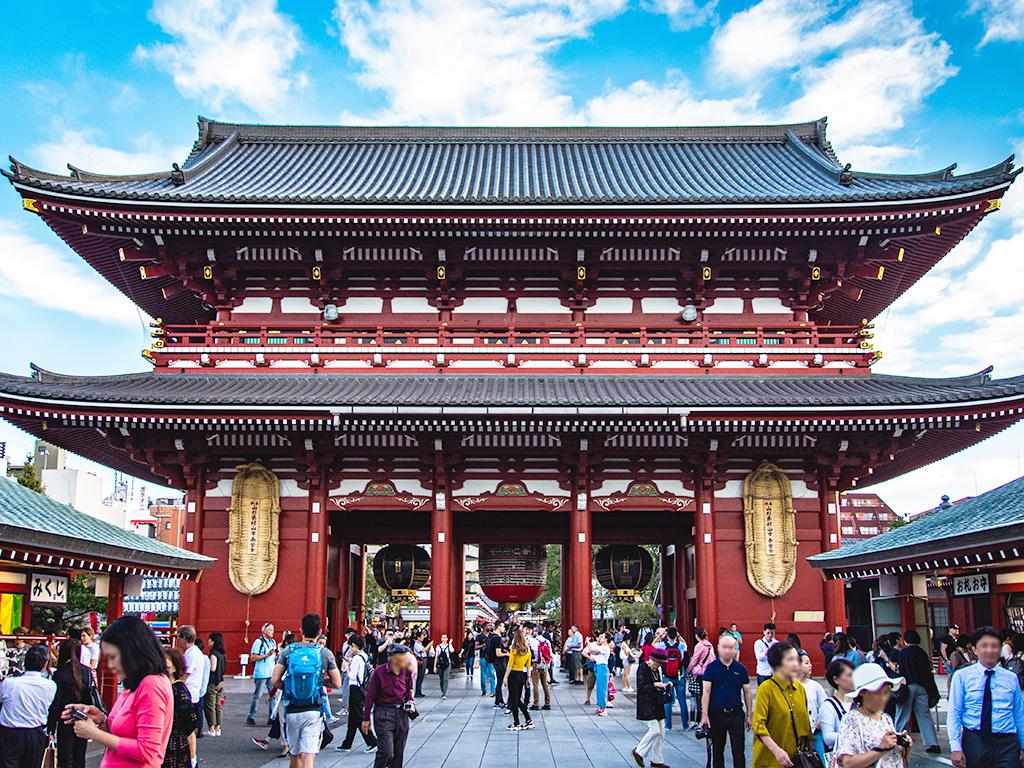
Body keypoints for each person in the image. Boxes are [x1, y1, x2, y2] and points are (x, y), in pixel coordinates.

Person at [63, 615, 173, 768]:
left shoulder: (152, 685)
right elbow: (122, 734)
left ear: (133, 652)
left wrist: (94, 734)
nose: (109, 665)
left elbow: (147, 751)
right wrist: (100, 718)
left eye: (113, 657)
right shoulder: (135, 684)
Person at [270, 614, 341, 768]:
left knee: (295, 756)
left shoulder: (289, 651)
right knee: (308, 756)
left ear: (301, 630)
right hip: (313, 709)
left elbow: (274, 680)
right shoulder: (324, 653)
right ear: (320, 631)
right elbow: (337, 683)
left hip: (292, 708)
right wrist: (321, 681)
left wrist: (287, 687)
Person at [948, 626, 1024, 768]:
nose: (989, 650)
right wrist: (955, 747)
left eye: (994, 646)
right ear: (975, 650)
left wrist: (1023, 745)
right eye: (984, 646)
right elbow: (954, 712)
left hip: (1007, 743)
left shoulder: (1011, 678)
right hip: (975, 741)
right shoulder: (962, 676)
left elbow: (1019, 714)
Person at [832, 662, 911, 768]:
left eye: (886, 692)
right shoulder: (852, 719)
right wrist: (881, 748)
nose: (883, 698)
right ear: (862, 693)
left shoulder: (886, 718)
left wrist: (906, 746)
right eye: (877, 693)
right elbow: (847, 762)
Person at [751, 642, 811, 768]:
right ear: (776, 664)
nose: (796, 663)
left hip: (797, 760)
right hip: (771, 761)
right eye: (790, 659)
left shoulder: (799, 689)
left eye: (797, 659)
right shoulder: (766, 689)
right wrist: (776, 751)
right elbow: (758, 726)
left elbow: (805, 726)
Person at [700, 631, 752, 768]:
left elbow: (747, 692)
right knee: (718, 750)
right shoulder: (711, 668)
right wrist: (704, 716)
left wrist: (749, 715)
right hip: (716, 713)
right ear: (718, 648)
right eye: (724, 647)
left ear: (735, 649)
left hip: (736, 714)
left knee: (739, 750)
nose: (727, 650)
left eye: (731, 647)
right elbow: (706, 692)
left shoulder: (740, 669)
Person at [0, 644, 56, 768]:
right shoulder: (50, 685)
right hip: (35, 732)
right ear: (45, 664)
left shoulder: (9, 683)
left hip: (10, 733)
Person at [362, 645, 416, 768]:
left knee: (398, 753)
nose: (406, 660)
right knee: (386, 752)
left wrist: (410, 702)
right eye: (403, 657)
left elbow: (409, 690)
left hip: (401, 713)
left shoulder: (406, 671)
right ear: (393, 658)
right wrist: (366, 718)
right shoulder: (379, 672)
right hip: (384, 713)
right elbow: (370, 696)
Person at [47, 637, 92, 768]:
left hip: (64, 719)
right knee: (79, 756)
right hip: (82, 717)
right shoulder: (86, 672)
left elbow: (55, 703)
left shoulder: (60, 674)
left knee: (65, 757)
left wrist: (51, 726)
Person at [894, 629, 940, 754]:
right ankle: (932, 743)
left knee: (903, 714)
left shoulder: (903, 653)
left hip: (908, 686)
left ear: (905, 640)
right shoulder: (922, 653)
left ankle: (897, 740)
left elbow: (900, 670)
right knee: (924, 715)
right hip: (922, 687)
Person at [336, 635, 377, 754]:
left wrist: (348, 666)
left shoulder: (356, 659)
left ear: (354, 646)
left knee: (357, 717)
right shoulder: (365, 656)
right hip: (363, 688)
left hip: (355, 688)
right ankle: (347, 743)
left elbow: (352, 676)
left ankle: (372, 741)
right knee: (353, 718)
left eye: (351, 646)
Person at [632, 648, 671, 768]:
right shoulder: (643, 668)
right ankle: (639, 751)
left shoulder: (656, 669)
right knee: (655, 730)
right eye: (657, 663)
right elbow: (641, 686)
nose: (658, 665)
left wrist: (664, 686)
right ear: (652, 659)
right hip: (647, 704)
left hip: (657, 703)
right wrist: (655, 684)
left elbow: (657, 684)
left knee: (661, 733)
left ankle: (657, 759)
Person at [161, 648, 197, 768]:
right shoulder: (162, 687)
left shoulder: (178, 689)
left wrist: (177, 731)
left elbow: (191, 721)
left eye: (167, 666)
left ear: (175, 667)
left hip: (174, 743)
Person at [175, 627, 202, 765]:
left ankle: (192, 759)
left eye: (178, 636)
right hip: (194, 693)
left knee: (188, 730)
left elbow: (185, 676)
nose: (177, 639)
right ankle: (192, 758)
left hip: (188, 694)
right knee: (188, 730)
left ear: (184, 638)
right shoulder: (197, 652)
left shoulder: (190, 655)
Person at [818, 658, 854, 762]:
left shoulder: (860, 702)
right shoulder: (829, 706)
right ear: (836, 679)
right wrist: (854, 736)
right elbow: (828, 737)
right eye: (849, 675)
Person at [655, 626, 689, 730]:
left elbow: (653, 644)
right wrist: (679, 636)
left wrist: (660, 635)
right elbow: (686, 645)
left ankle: (668, 725)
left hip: (667, 676)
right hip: (680, 675)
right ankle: (685, 725)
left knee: (668, 701)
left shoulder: (662, 645)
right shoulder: (681, 646)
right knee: (682, 700)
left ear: (667, 635)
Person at [797, 651, 827, 766]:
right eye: (806, 663)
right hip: (797, 735)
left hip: (815, 732)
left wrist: (820, 719)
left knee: (820, 761)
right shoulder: (790, 685)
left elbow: (825, 706)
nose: (810, 665)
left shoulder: (815, 686)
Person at [502, 627, 534, 731]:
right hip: (521, 675)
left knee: (513, 699)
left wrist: (505, 677)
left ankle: (517, 723)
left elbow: (510, 665)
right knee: (518, 699)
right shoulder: (527, 652)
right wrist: (528, 678)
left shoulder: (514, 650)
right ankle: (528, 719)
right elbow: (528, 666)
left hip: (513, 675)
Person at [247, 623, 278, 726]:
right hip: (261, 673)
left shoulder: (273, 642)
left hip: (271, 672)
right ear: (264, 631)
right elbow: (253, 657)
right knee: (257, 696)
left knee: (273, 695)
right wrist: (266, 655)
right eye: (270, 630)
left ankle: (271, 717)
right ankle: (251, 716)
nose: (272, 632)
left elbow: (273, 656)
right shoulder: (258, 642)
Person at [687, 628, 715, 723]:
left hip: (700, 674)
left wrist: (688, 670)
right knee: (708, 695)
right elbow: (713, 658)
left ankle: (700, 720)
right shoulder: (710, 645)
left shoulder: (699, 646)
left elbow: (694, 660)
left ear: (696, 635)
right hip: (709, 673)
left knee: (700, 697)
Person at [583, 632, 612, 717]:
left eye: (602, 637)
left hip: (602, 668)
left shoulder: (605, 648)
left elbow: (592, 651)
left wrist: (588, 642)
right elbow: (593, 655)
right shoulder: (602, 647)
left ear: (606, 639)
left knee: (602, 689)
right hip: (598, 667)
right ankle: (600, 707)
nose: (600, 638)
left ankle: (604, 708)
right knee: (599, 688)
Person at [203, 633, 226, 738]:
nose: (208, 642)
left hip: (212, 682)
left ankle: (211, 728)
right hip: (221, 681)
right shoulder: (223, 654)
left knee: (210, 705)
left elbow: (213, 668)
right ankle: (218, 727)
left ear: (214, 641)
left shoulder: (214, 654)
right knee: (218, 706)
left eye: (210, 640)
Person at [529, 625, 553, 710]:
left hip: (536, 663)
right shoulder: (546, 641)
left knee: (535, 684)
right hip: (544, 664)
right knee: (545, 684)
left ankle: (536, 703)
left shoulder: (534, 641)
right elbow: (550, 653)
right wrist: (548, 664)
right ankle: (547, 702)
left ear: (536, 632)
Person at [490, 623, 509, 710]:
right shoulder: (497, 638)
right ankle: (498, 702)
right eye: (503, 626)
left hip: (495, 662)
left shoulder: (491, 636)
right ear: (499, 627)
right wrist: (507, 654)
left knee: (499, 681)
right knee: (500, 682)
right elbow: (498, 653)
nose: (504, 628)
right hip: (499, 662)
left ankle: (500, 700)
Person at [432, 634, 455, 700]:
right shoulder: (438, 647)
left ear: (447, 639)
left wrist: (450, 643)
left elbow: (452, 650)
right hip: (440, 664)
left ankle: (444, 693)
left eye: (445, 638)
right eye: (443, 638)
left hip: (448, 664)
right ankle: (443, 690)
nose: (444, 639)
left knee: (445, 678)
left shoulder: (448, 646)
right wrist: (434, 666)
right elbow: (436, 657)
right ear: (441, 639)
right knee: (441, 679)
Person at [476, 625, 495, 698]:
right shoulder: (479, 637)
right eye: (488, 625)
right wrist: (483, 645)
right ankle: (483, 690)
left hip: (491, 658)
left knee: (491, 674)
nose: (490, 627)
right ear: (484, 627)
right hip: (483, 658)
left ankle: (492, 691)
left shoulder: (492, 636)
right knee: (483, 675)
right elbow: (476, 647)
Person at [411, 630, 428, 698]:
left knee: (421, 676)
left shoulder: (420, 644)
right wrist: (430, 645)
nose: (423, 637)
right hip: (421, 660)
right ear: (418, 638)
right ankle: (417, 691)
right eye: (422, 636)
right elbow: (423, 650)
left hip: (423, 659)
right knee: (420, 676)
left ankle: (419, 691)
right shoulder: (416, 644)